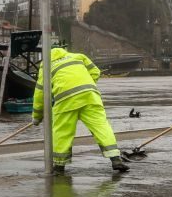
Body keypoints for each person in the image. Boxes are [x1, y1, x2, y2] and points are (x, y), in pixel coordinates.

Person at [32, 47, 128, 175]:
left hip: (65, 100)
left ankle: (59, 167)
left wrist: (37, 116)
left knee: (62, 132)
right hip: (90, 96)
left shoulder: (46, 66)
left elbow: (40, 93)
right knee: (102, 127)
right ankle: (116, 159)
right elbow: (95, 72)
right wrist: (86, 85)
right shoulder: (78, 56)